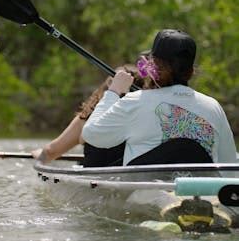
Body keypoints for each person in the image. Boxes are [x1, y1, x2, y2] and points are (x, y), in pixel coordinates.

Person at [82, 29, 237, 165]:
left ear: (153, 68)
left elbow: (91, 135)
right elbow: (229, 164)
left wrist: (114, 91)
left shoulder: (135, 101)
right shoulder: (213, 106)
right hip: (201, 192)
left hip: (147, 194)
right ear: (190, 71)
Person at [32, 64, 143, 166]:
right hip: (132, 176)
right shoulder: (146, 116)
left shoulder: (88, 117)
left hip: (94, 178)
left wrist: (40, 155)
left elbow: (52, 151)